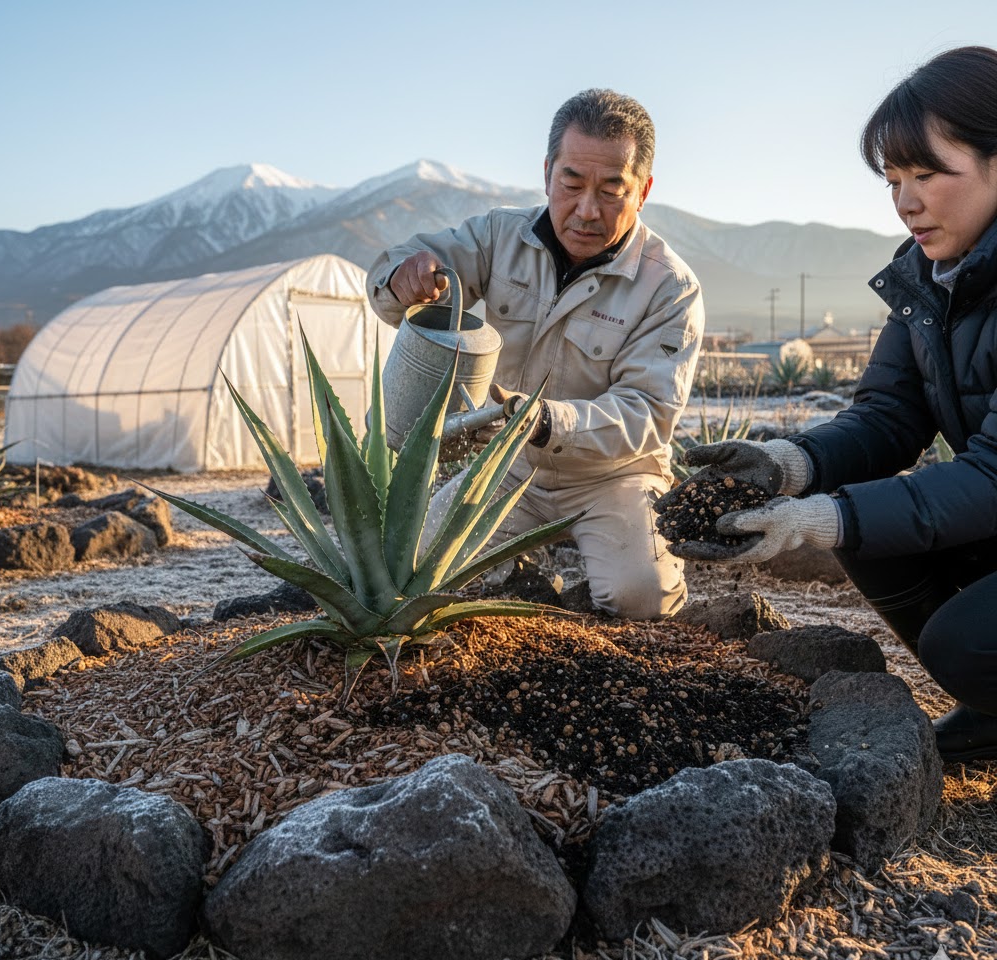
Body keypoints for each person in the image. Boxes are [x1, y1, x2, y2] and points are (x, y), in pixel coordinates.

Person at [659, 46, 997, 762]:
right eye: (894, 179)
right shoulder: (930, 283)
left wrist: (820, 518)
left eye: (928, 173)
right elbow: (888, 417)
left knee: (964, 640)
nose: (906, 200)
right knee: (868, 525)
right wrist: (785, 466)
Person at [367, 88, 705, 620]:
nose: (587, 210)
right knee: (406, 572)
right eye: (571, 183)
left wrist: (548, 420)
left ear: (643, 191)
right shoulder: (499, 236)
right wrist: (403, 276)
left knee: (642, 597)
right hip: (507, 466)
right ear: (548, 172)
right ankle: (525, 569)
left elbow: (648, 413)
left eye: (612, 189)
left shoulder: (671, 288)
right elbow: (401, 265)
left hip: (614, 475)